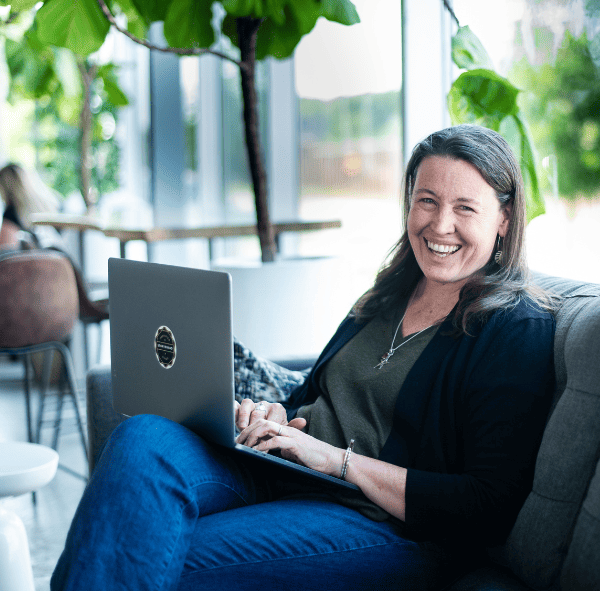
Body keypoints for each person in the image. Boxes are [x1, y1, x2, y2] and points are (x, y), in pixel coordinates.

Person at [51, 124, 557, 591]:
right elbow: (316, 395)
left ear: (504, 219)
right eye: (426, 201)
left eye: (465, 208)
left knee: (152, 546)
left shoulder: (515, 327)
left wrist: (338, 462)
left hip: (380, 521)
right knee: (142, 434)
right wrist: (275, 415)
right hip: (289, 469)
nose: (439, 224)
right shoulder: (391, 293)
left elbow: (487, 506)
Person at [0, 163, 61, 248]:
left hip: (32, 260)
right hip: (57, 259)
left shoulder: (10, 215)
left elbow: (6, 251)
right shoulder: (50, 207)